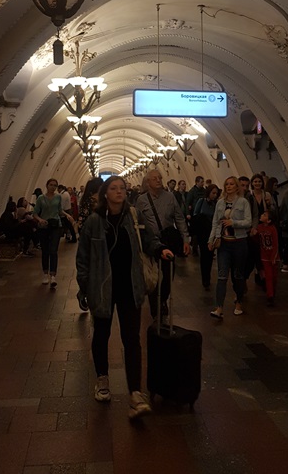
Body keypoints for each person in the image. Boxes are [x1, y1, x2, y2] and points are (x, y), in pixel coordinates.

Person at [76, 177, 174, 420]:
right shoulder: (94, 222)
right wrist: (84, 287)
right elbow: (83, 257)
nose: (119, 192)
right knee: (102, 334)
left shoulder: (134, 216)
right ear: (104, 194)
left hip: (130, 286)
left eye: (122, 188)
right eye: (114, 188)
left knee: (131, 339)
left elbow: (149, 238)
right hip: (102, 288)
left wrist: (159, 248)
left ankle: (135, 392)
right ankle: (102, 379)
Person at [136, 169, 191, 323]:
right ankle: (156, 305)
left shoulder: (170, 197)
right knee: (154, 274)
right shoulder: (141, 200)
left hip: (168, 241)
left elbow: (179, 218)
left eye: (160, 178)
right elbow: (138, 223)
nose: (158, 180)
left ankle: (163, 298)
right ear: (148, 182)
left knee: (167, 275)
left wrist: (186, 239)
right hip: (151, 244)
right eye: (154, 178)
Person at [208, 176, 252, 318]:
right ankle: (219, 307)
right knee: (221, 276)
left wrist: (234, 223)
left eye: (232, 184)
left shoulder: (243, 202)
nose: (229, 186)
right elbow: (215, 222)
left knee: (238, 276)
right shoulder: (220, 203)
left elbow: (248, 221)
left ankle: (239, 302)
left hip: (239, 243)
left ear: (237, 187)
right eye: (227, 184)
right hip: (224, 244)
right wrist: (211, 239)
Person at [32, 178, 75, 287]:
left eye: (55, 185)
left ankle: (53, 275)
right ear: (46, 186)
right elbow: (35, 213)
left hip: (56, 225)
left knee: (53, 250)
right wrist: (40, 219)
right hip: (44, 226)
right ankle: (45, 274)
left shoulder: (58, 197)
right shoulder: (41, 199)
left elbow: (59, 210)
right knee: (45, 250)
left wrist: (67, 215)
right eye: (51, 185)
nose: (53, 187)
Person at [247, 173, 275, 287]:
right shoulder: (249, 196)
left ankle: (262, 274)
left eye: (259, 181)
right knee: (255, 250)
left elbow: (273, 209)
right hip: (254, 226)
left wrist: (269, 204)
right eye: (255, 181)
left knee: (264, 249)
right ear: (252, 183)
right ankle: (259, 273)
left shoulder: (266, 194)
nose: (257, 183)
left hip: (265, 224)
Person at [191, 184, 220, 291]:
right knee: (204, 255)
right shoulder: (201, 201)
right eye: (213, 193)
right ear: (208, 192)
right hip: (202, 232)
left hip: (212, 231)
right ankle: (205, 277)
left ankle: (208, 275)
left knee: (210, 254)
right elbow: (195, 214)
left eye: (216, 193)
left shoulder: (216, 204)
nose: (215, 195)